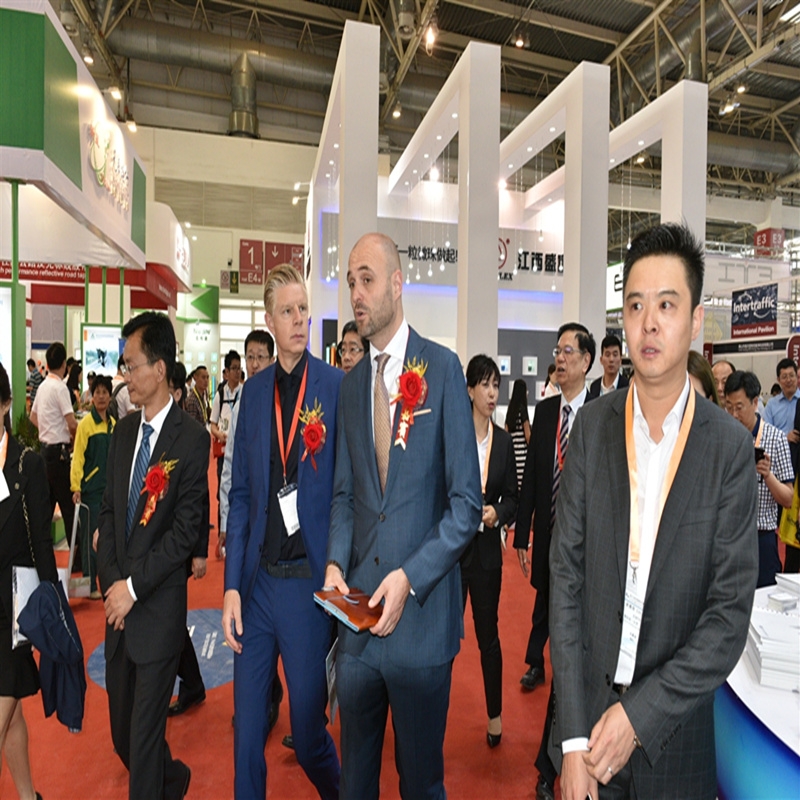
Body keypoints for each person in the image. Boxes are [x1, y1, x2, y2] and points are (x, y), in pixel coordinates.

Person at [550, 222, 758, 800]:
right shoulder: (593, 428)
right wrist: (572, 741)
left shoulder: (727, 449)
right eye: (636, 305)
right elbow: (566, 579)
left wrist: (638, 716)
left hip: (674, 740)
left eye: (666, 305)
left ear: (695, 320)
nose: (648, 323)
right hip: (586, 730)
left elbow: (727, 616)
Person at [325, 232, 482, 799]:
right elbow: (345, 496)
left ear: (397, 283)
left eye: (367, 280)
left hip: (421, 624)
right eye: (351, 282)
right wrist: (335, 564)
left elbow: (466, 506)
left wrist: (410, 577)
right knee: (355, 785)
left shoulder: (442, 369)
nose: (356, 294)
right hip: (358, 627)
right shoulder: (350, 388)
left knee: (420, 784)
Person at [223, 265, 341, 800]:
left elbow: (347, 492)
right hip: (256, 587)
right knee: (247, 735)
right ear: (269, 320)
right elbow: (241, 496)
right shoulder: (253, 394)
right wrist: (231, 586)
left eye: (303, 310)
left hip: (306, 587)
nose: (298, 319)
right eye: (287, 311)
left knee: (310, 735)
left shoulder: (335, 387)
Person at [97, 312, 210, 800]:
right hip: (118, 609)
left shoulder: (191, 439)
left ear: (160, 368)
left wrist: (133, 588)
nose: (125, 375)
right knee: (123, 738)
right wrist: (112, 587)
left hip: (157, 608)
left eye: (132, 364)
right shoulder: (123, 432)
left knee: (143, 744)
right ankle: (174, 779)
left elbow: (183, 535)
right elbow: (108, 514)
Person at [514, 322, 595, 800]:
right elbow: (531, 477)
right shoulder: (546, 412)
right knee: (557, 637)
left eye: (568, 351)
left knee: (572, 659)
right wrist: (523, 533)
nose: (560, 358)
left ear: (586, 361)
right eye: (557, 350)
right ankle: (552, 763)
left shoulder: (605, 412)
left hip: (589, 554)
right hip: (550, 545)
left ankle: (553, 762)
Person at [217, 329, 286, 740]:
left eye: (261, 356)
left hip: (280, 536)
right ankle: (261, 695)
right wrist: (227, 525)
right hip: (247, 534)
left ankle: (271, 694)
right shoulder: (243, 399)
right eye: (250, 357)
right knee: (247, 617)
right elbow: (230, 471)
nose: (255, 363)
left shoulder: (282, 395)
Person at [0, 362, 57, 800]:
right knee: (10, 717)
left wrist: (51, 613)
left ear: (4, 405)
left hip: (13, 615)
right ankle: (28, 796)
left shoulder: (28, 465)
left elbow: (41, 542)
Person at [462, 354, 518, 748]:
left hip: (486, 555)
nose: (492, 393)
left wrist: (498, 512)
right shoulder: (454, 435)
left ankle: (495, 715)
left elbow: (513, 497)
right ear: (470, 390)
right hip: (451, 554)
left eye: (496, 385)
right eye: (485, 385)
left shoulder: (505, 442)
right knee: (443, 638)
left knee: (489, 636)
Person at [166, 362, 209, 718]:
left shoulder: (193, 436)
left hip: (179, 546)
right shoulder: (145, 429)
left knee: (171, 621)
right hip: (153, 545)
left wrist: (199, 551)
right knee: (169, 622)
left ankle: (190, 683)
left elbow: (201, 499)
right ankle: (192, 683)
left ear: (177, 392)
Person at [725, 370, 793, 587]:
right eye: (728, 407)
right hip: (730, 538)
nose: (733, 414)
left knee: (763, 598)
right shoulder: (724, 437)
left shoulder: (776, 439)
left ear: (755, 403)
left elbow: (788, 498)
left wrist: (768, 475)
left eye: (739, 407)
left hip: (761, 538)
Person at [30, 342, 78, 554]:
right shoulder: (60, 388)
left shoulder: (42, 387)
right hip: (59, 454)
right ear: (64, 364)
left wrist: (47, 430)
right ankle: (76, 556)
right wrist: (73, 438)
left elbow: (33, 417)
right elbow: (72, 423)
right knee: (68, 507)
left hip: (44, 452)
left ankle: (38, 552)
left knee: (46, 506)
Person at [70, 374, 115, 599]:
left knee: (108, 537)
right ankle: (90, 585)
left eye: (105, 392)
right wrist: (76, 486)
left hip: (110, 491)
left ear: (110, 396)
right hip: (90, 491)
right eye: (97, 392)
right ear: (92, 396)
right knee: (90, 540)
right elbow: (78, 457)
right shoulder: (86, 425)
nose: (101, 396)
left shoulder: (114, 425)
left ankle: (107, 581)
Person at [210, 351, 242, 530]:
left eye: (239, 368)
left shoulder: (244, 392)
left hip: (239, 450)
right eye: (234, 368)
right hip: (223, 450)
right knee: (222, 490)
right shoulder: (220, 395)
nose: (237, 372)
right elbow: (212, 424)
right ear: (226, 372)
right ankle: (223, 530)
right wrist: (219, 434)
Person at [505, 378, 530, 490]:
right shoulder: (523, 410)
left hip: (512, 456)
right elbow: (528, 436)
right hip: (523, 458)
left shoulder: (510, 411)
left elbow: (506, 433)